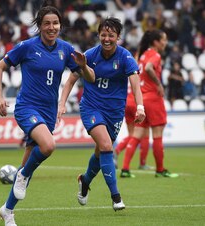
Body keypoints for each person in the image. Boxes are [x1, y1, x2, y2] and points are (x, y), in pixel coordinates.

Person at [0, 5, 95, 226]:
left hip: (48, 113)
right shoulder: (27, 47)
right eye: (46, 23)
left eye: (55, 23)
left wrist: (84, 67)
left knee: (28, 162)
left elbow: (90, 77)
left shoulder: (67, 49)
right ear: (39, 26)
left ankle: (7, 210)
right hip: (27, 107)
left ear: (60, 25)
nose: (51, 27)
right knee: (48, 146)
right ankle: (22, 176)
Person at [58, 17, 145, 211]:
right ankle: (116, 197)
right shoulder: (89, 55)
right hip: (92, 107)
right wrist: (62, 103)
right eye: (103, 34)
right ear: (98, 35)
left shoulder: (125, 57)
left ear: (118, 37)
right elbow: (71, 80)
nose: (106, 39)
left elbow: (135, 83)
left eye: (111, 35)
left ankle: (85, 180)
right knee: (107, 145)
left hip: (114, 112)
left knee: (100, 152)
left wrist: (140, 107)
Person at [121, 29, 179, 178]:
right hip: (153, 99)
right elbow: (149, 68)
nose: (165, 43)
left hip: (142, 100)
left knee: (136, 135)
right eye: (163, 40)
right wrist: (159, 84)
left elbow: (143, 68)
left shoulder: (142, 55)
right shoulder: (156, 55)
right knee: (158, 135)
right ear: (155, 42)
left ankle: (125, 169)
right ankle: (160, 170)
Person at [114, 88, 152, 171]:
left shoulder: (129, 75)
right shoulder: (140, 76)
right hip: (137, 104)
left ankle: (116, 151)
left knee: (132, 135)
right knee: (144, 132)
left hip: (126, 103)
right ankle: (142, 163)